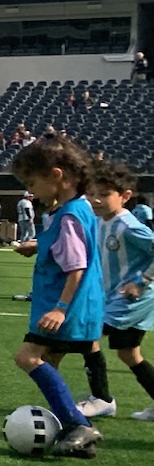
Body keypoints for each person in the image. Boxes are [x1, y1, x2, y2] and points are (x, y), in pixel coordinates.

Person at [11, 136, 103, 457]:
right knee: (49, 360)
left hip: (62, 307)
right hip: (73, 306)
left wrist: (61, 309)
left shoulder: (69, 216)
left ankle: (78, 425)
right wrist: (38, 246)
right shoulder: (76, 209)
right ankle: (72, 430)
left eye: (33, 182)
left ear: (56, 175)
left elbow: (76, 266)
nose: (31, 191)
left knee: (27, 358)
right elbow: (75, 249)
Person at [84, 161, 154, 421]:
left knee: (88, 335)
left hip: (133, 297)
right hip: (112, 295)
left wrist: (142, 281)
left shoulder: (129, 225)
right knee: (129, 354)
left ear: (125, 196)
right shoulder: (99, 220)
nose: (96, 200)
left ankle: (101, 398)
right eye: (92, 193)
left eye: (104, 194)